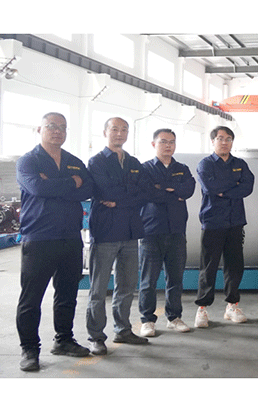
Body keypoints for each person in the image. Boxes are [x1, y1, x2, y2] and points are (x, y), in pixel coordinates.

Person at [15, 113, 93, 371]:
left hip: (70, 237)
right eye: (51, 126)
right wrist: (71, 183)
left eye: (62, 127)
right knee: (31, 298)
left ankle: (64, 340)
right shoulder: (28, 161)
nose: (57, 131)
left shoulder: (74, 161)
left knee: (67, 294)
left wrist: (56, 185)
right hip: (39, 238)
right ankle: (29, 349)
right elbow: (38, 188)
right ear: (39, 129)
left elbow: (88, 189)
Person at [86, 117, 150, 355]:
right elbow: (105, 190)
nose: (120, 133)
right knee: (99, 288)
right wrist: (128, 195)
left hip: (131, 232)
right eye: (115, 129)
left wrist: (119, 200)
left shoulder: (133, 162)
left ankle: (123, 329)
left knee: (126, 286)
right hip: (106, 232)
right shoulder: (97, 162)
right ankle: (96, 336)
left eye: (124, 129)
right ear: (105, 132)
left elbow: (144, 192)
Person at [194, 126, 254, 328]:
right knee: (208, 266)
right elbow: (210, 187)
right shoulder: (205, 164)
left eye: (228, 139)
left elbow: (247, 187)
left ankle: (232, 306)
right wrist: (233, 186)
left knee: (234, 266)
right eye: (220, 138)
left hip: (235, 221)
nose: (224, 142)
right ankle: (202, 308)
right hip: (212, 222)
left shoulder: (240, 164)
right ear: (213, 141)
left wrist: (224, 190)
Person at [138, 129, 196, 337]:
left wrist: (162, 188)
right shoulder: (144, 169)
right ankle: (147, 320)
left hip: (176, 231)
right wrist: (173, 191)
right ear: (154, 144)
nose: (168, 145)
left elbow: (188, 190)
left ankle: (174, 317)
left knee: (175, 279)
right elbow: (148, 193)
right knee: (148, 281)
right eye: (163, 141)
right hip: (151, 231)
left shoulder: (182, 169)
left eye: (172, 142)